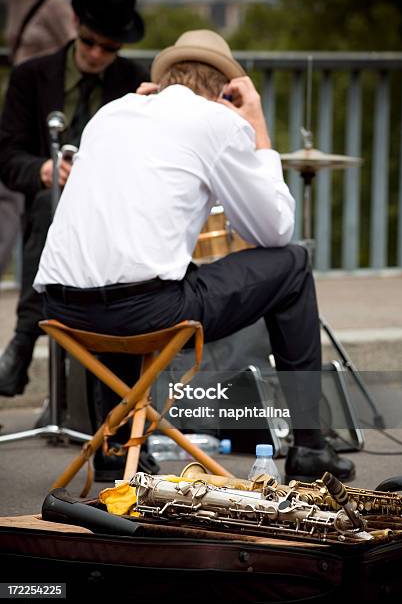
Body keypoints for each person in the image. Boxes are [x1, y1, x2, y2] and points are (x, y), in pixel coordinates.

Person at [33, 30, 355, 482]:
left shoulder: (109, 114)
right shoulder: (215, 121)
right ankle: (310, 449)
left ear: (163, 80)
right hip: (143, 315)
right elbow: (275, 229)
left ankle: (115, 448)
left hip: (63, 314)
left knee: (129, 271)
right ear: (225, 91)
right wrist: (256, 123)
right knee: (294, 264)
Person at [0, 0, 148, 399]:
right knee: (53, 208)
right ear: (74, 26)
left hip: (113, 210)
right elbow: (7, 154)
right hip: (50, 200)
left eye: (110, 47)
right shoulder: (31, 75)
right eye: (89, 42)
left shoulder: (133, 81)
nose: (98, 54)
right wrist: (44, 169)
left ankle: (25, 338)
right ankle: (28, 336)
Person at [0, 0, 76, 280]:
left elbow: (76, 50)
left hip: (47, 109)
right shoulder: (14, 0)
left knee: (34, 202)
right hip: (21, 104)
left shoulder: (55, 6)